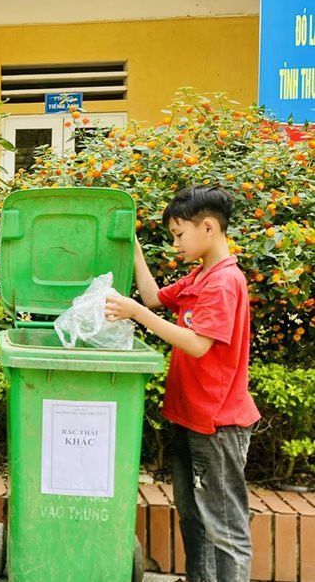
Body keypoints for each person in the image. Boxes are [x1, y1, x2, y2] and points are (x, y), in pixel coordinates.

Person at [106, 185, 260, 582]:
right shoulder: (200, 276)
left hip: (218, 424)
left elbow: (195, 343)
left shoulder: (224, 282)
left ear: (208, 227)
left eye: (179, 234)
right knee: (194, 516)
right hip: (191, 416)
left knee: (225, 525)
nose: (175, 243)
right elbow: (155, 298)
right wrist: (134, 249)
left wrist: (136, 313)